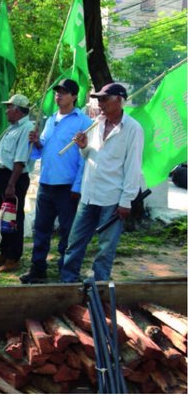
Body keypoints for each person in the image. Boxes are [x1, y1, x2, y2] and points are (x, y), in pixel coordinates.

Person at [60, 83, 144, 282]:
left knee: (106, 247)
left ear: (118, 100)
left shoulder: (133, 129)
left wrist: (126, 201)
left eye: (104, 99)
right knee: (75, 242)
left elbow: (133, 167)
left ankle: (99, 285)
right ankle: (68, 281)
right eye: (98, 99)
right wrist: (83, 146)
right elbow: (89, 155)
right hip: (88, 194)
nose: (100, 103)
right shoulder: (95, 123)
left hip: (112, 198)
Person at [20, 80, 93, 284]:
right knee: (41, 229)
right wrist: (36, 142)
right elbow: (44, 150)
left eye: (64, 92)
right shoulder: (51, 119)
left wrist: (77, 186)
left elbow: (84, 158)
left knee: (67, 231)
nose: (59, 96)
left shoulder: (83, 122)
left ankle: (66, 270)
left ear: (74, 96)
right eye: (57, 92)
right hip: (46, 182)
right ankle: (38, 268)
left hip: (67, 186)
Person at [0, 94, 34, 272]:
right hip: (3, 175)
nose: (6, 111)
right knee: (2, 215)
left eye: (9, 107)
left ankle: (13, 257)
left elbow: (20, 160)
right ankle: (4, 251)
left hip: (15, 178)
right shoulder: (10, 128)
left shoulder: (27, 128)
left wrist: (12, 184)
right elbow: (5, 155)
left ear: (17, 110)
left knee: (14, 218)